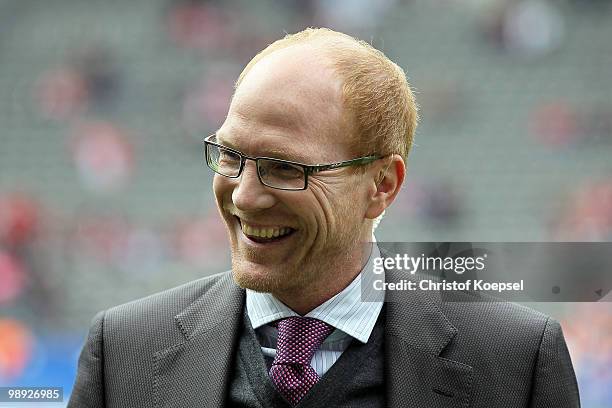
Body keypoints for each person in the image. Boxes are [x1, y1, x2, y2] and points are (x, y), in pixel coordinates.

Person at [68, 28, 580, 407]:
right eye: (230, 157)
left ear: (381, 186)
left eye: (284, 167)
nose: (244, 197)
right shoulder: (124, 351)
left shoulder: (515, 364)